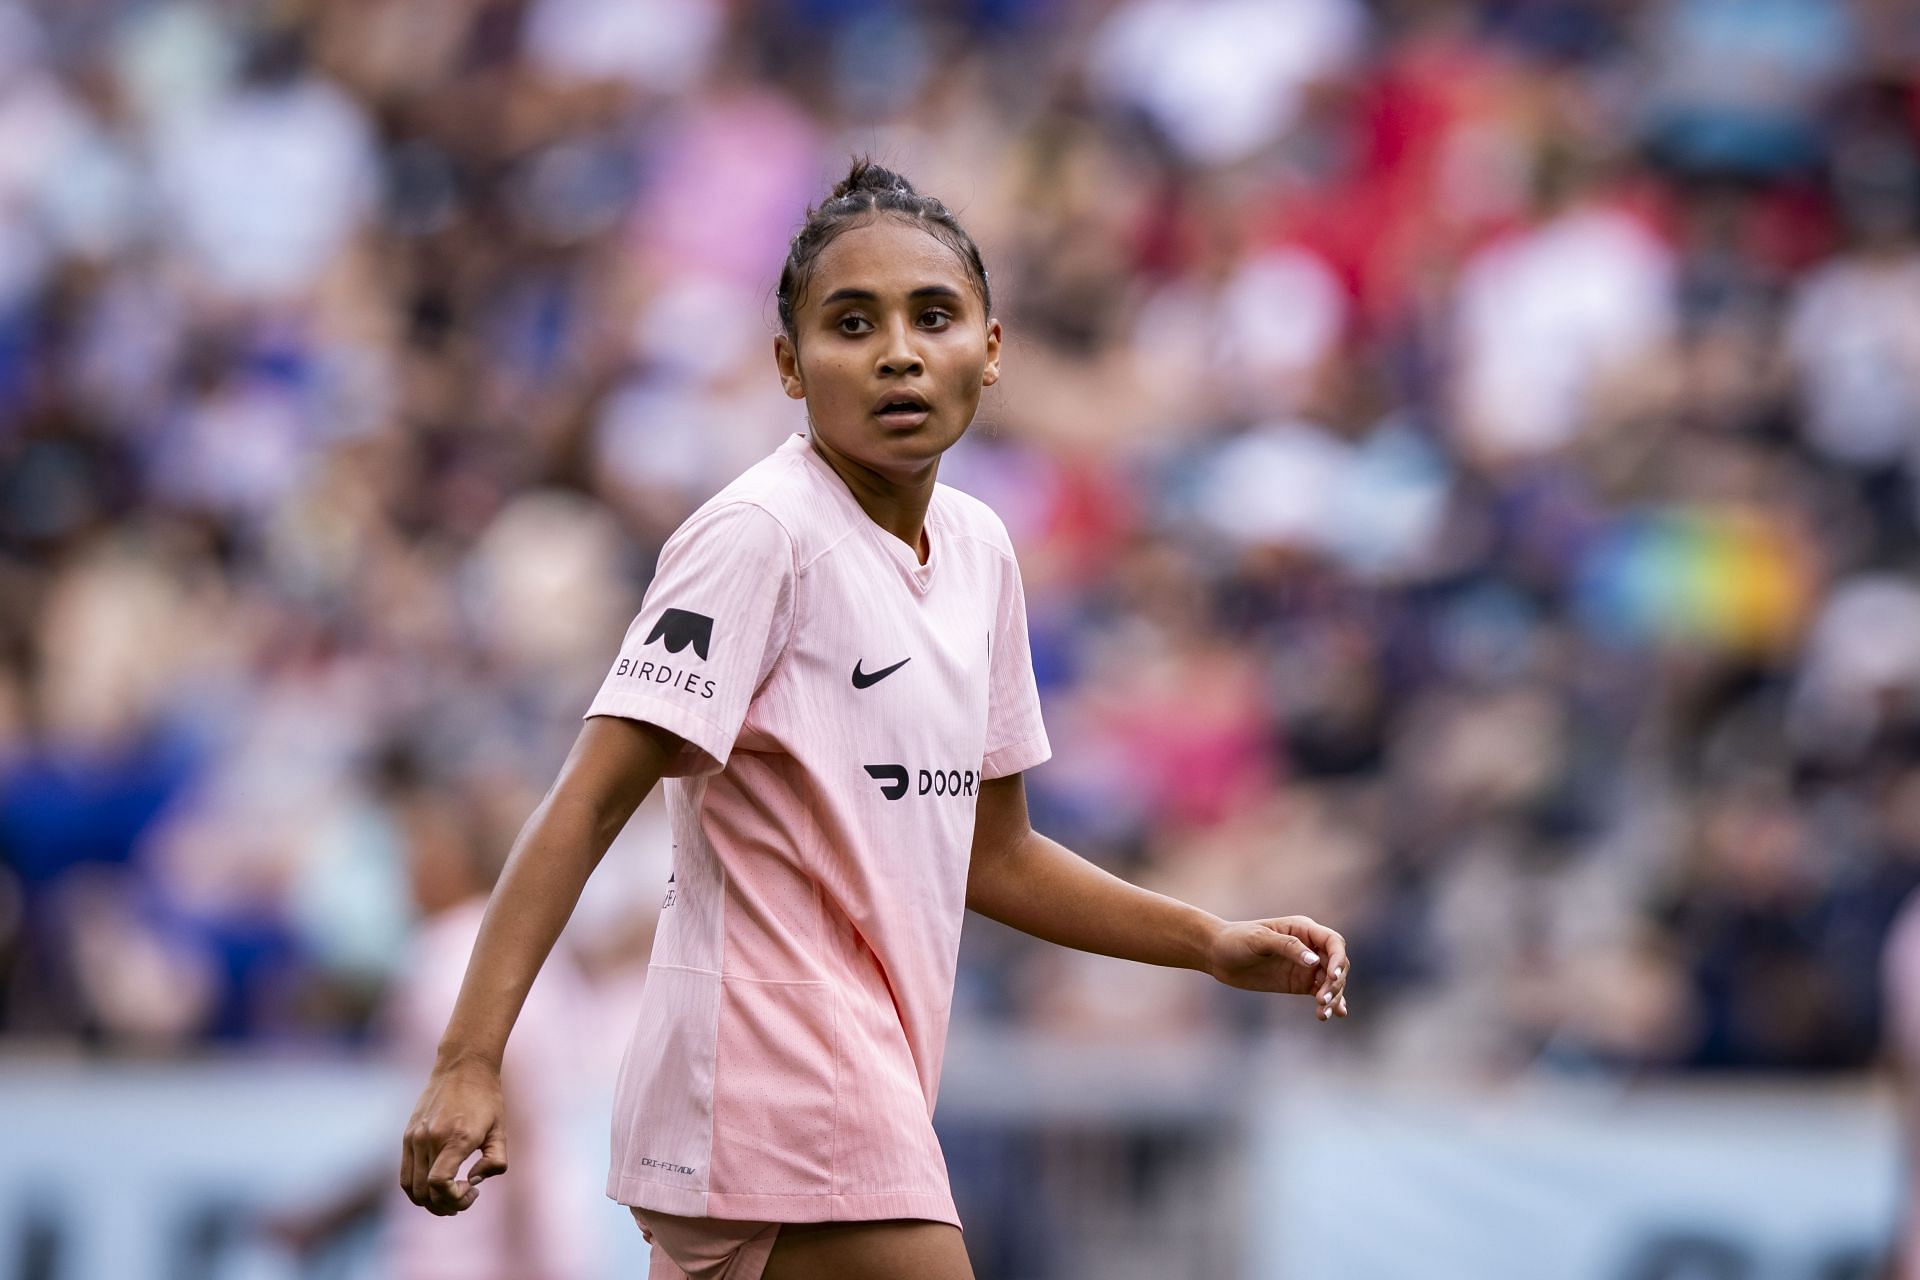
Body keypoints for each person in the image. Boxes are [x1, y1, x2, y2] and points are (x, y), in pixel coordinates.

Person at [398, 158, 1351, 1280]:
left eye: (933, 315)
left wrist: (1206, 942)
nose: (898, 349)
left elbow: (994, 854)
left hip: (835, 1080)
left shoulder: (985, 554)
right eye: (852, 323)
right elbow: (592, 794)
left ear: (990, 352)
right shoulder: (758, 534)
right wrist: (470, 1057)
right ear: (790, 366)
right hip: (775, 1067)